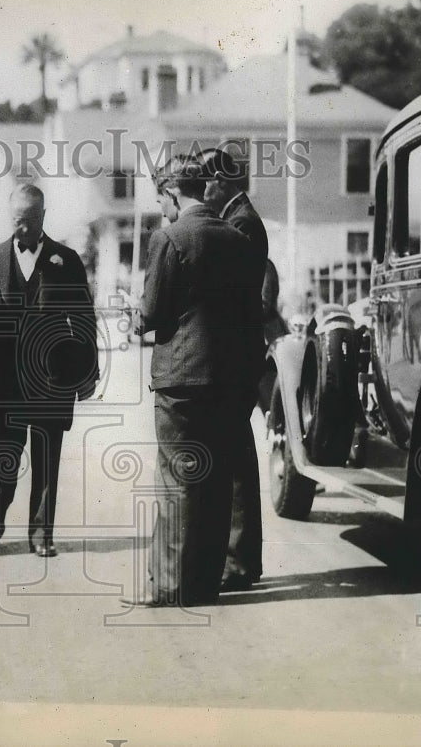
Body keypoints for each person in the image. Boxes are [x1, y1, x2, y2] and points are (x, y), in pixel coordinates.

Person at [123, 155, 265, 607]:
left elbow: (153, 313)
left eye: (161, 200)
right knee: (217, 480)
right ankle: (204, 585)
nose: (162, 209)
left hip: (182, 378)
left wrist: (134, 316)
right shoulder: (238, 238)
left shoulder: (169, 237)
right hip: (229, 378)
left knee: (177, 480)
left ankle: (170, 586)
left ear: (171, 193)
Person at [0, 183, 99, 557]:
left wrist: (87, 373)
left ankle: (41, 532)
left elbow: (84, 319)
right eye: (18, 222)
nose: (24, 230)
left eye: (31, 222)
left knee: (48, 455)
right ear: (9, 218)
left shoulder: (66, 259)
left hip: (53, 376)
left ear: (43, 217)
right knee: (4, 452)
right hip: (6, 377)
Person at [199, 146, 271, 592]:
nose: (201, 189)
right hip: (237, 356)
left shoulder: (240, 223)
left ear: (221, 183)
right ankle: (239, 558)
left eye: (205, 181)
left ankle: (240, 561)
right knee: (236, 458)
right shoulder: (239, 217)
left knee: (237, 464)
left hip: (236, 357)